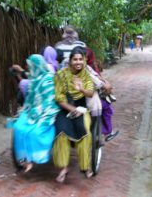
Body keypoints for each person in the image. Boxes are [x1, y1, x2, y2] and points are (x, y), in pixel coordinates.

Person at [53, 47, 94, 183]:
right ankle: (63, 168)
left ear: (84, 60)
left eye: (80, 59)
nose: (78, 62)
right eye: (75, 59)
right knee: (61, 133)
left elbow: (90, 93)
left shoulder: (85, 74)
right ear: (70, 61)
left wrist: (80, 88)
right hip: (65, 108)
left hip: (81, 108)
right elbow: (59, 98)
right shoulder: (60, 75)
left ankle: (85, 167)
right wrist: (71, 109)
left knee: (85, 132)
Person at [13, 54, 60, 172]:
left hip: (47, 110)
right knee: (19, 128)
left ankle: (36, 158)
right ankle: (25, 159)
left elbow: (50, 100)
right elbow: (30, 99)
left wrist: (37, 111)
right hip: (33, 109)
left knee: (35, 132)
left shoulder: (49, 78)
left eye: (31, 66)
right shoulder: (34, 79)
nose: (29, 69)